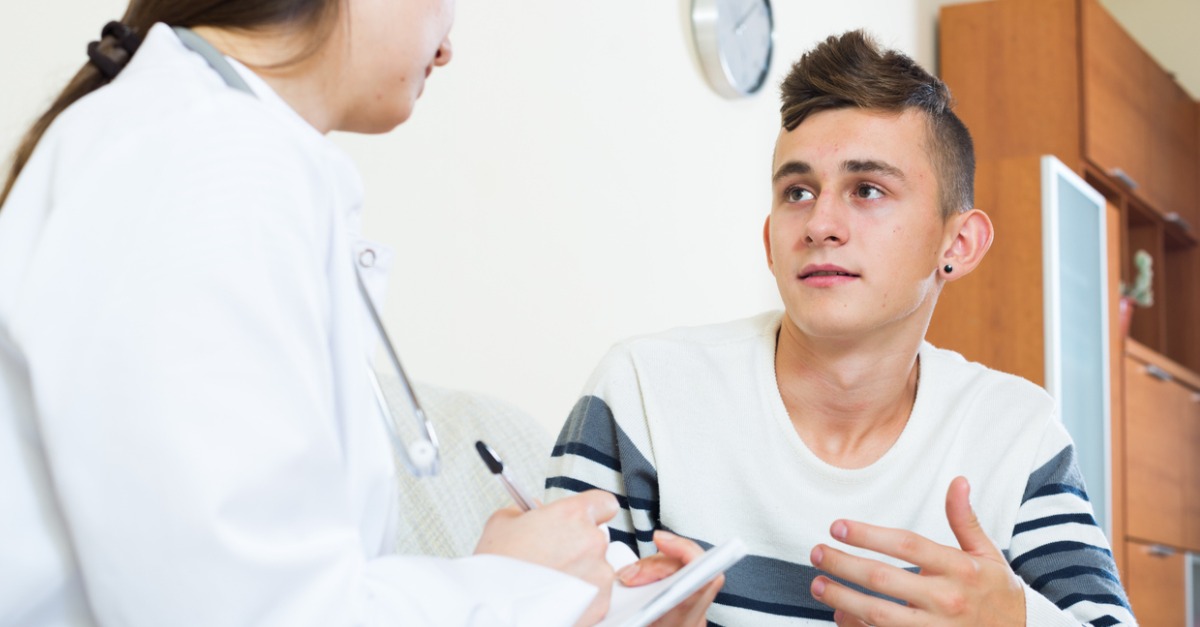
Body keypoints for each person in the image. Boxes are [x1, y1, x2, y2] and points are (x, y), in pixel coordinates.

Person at [0, 1, 721, 625]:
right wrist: (513, 586)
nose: (446, 44)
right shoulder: (202, 166)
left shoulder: (220, 152)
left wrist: (547, 598)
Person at [545, 30, 1136, 626]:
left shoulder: (1014, 433)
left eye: (867, 190)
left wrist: (1015, 621)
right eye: (797, 192)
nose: (820, 224)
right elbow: (533, 604)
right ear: (769, 243)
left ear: (958, 243)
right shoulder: (644, 393)